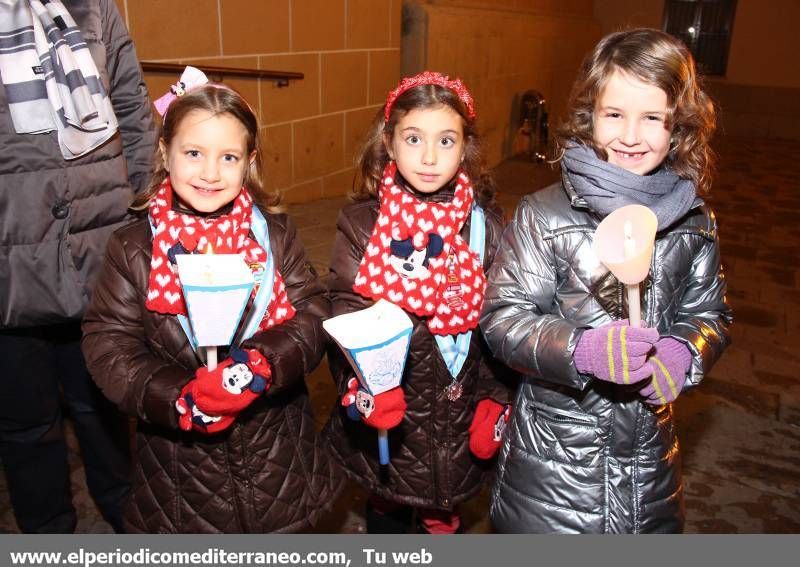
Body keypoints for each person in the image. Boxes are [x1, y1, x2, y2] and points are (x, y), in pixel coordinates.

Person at [480, 28, 733, 534]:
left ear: (678, 125)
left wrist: (686, 351)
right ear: (590, 115)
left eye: (652, 118)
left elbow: (711, 316)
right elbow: (503, 319)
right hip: (552, 473)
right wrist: (582, 350)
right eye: (615, 114)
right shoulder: (545, 215)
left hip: (648, 472)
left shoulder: (694, 221)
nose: (631, 136)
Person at [81, 69, 342, 533]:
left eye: (228, 157)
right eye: (194, 153)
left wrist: (264, 363)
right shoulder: (133, 248)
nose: (209, 172)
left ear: (250, 161)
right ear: (165, 152)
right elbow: (109, 347)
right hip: (181, 476)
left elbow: (313, 314)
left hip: (277, 458)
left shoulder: (274, 236)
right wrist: (177, 398)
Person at [322, 71, 513, 534]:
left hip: (457, 412)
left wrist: (496, 397)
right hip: (394, 406)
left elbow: (502, 322)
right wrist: (361, 388)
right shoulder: (362, 225)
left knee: (442, 513)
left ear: (465, 146)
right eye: (414, 138)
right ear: (389, 143)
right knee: (387, 505)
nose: (429, 157)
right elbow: (343, 316)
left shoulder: (485, 227)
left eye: (446, 140)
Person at [0, 0, 155, 533]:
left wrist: (138, 205)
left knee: (104, 405)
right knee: (26, 423)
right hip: (10, 264)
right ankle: (47, 536)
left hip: (97, 251)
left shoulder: (96, 10)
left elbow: (133, 109)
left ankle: (124, 515)